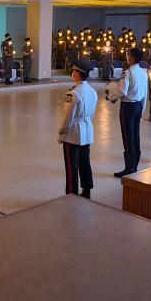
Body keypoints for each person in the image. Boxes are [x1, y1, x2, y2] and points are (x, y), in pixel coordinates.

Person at [57, 60, 98, 198]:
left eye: (74, 71)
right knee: (85, 162)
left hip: (73, 134)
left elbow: (67, 117)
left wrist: (62, 134)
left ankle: (71, 194)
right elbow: (92, 113)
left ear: (78, 74)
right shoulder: (92, 91)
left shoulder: (73, 93)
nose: (72, 73)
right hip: (87, 131)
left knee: (71, 166)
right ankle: (87, 191)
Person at [114, 48, 148, 178]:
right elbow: (145, 94)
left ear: (132, 58)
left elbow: (122, 91)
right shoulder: (143, 72)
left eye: (128, 55)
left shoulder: (127, 72)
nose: (127, 58)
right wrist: (142, 110)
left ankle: (129, 167)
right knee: (135, 135)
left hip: (128, 107)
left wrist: (111, 93)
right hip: (139, 105)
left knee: (128, 136)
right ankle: (135, 165)